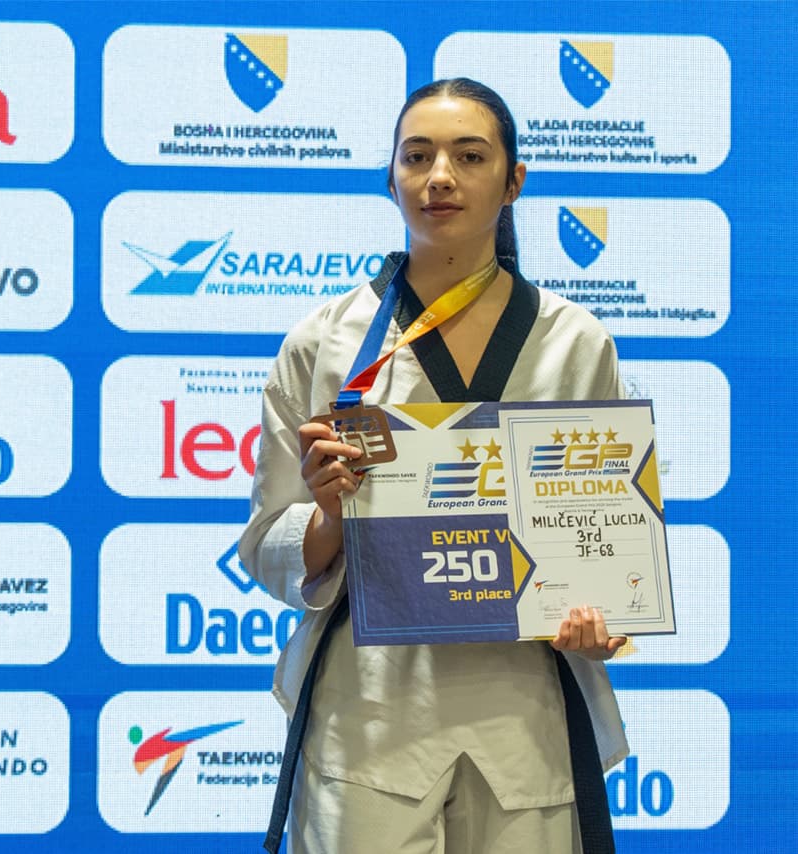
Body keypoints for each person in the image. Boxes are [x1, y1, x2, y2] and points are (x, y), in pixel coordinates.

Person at [239, 78, 628, 854]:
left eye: (469, 156)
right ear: (391, 179)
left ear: (514, 181)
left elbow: (603, 548)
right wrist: (329, 514)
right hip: (373, 710)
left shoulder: (575, 342)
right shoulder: (325, 343)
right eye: (416, 156)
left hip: (524, 711)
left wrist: (599, 620)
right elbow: (268, 545)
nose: (439, 176)